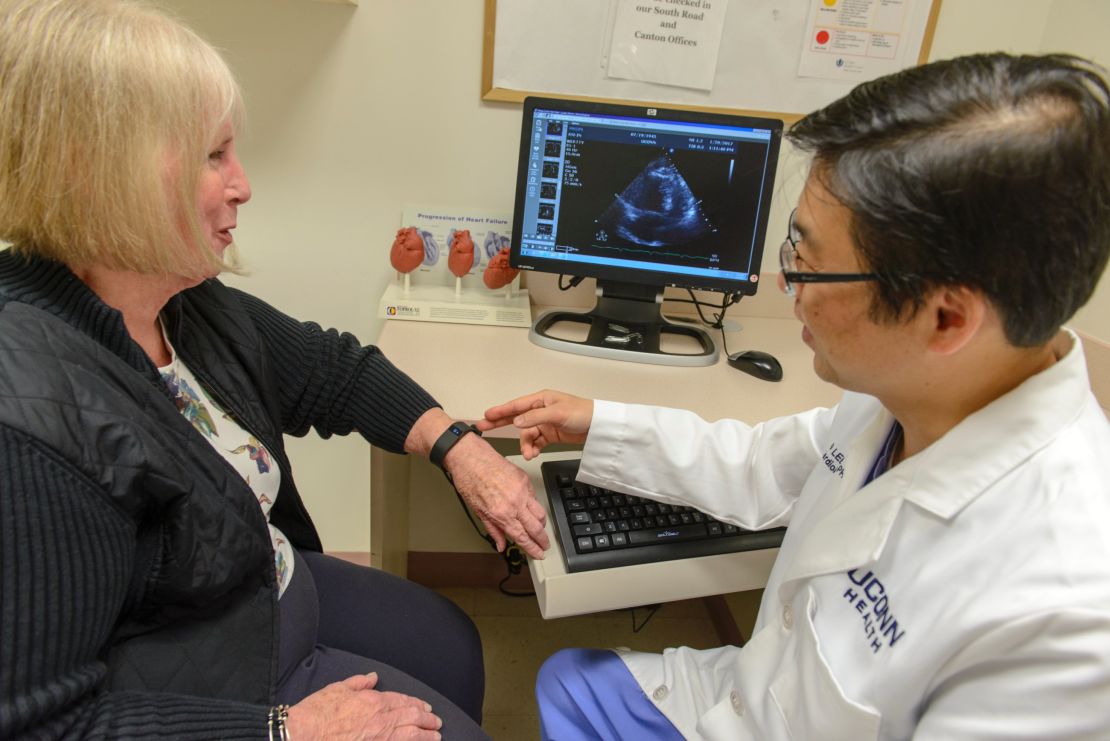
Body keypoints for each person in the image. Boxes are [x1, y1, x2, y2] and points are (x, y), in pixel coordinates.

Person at [481, 52, 1110, 739]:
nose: (788, 285)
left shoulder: (1065, 619)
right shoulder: (912, 390)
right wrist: (599, 422)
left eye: (808, 261)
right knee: (567, 681)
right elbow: (764, 465)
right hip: (748, 698)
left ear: (947, 318)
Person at [0, 0, 549, 738]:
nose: (244, 185)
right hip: (207, 686)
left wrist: (459, 446)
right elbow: (43, 725)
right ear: (105, 171)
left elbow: (334, 369)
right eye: (213, 155)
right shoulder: (29, 419)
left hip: (259, 590)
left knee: (452, 641)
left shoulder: (181, 303)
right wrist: (287, 729)